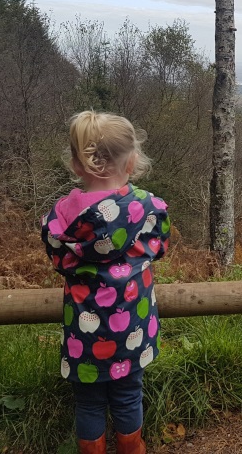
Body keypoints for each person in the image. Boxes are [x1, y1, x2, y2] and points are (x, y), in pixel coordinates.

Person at [42, 111, 170, 454]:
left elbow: (59, 260)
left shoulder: (62, 215)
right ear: (132, 162)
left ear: (76, 164)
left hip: (82, 333)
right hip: (132, 325)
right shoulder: (146, 207)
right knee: (129, 395)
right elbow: (158, 249)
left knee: (88, 403)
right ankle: (133, 449)